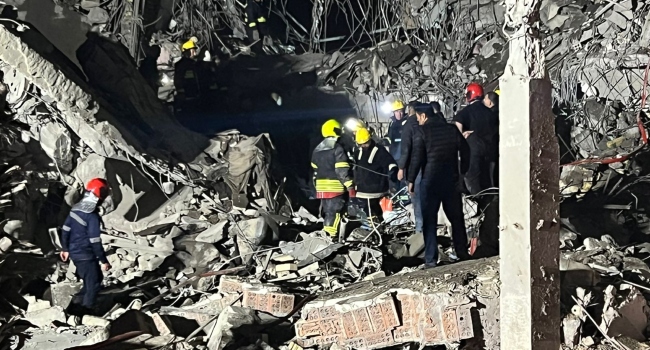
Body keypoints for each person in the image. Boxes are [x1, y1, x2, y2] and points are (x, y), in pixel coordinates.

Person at [408, 103, 471, 268]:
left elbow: (417, 158)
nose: (418, 121)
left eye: (418, 118)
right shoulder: (451, 130)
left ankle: (430, 259)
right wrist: (462, 172)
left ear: (423, 116)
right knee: (456, 218)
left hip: (431, 182)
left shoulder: (421, 132)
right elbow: (466, 150)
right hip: (451, 180)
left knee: (430, 221)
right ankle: (462, 252)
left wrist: (411, 180)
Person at [60, 178, 112, 313]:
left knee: (92, 279)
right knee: (93, 283)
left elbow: (65, 229)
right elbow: (95, 240)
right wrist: (103, 260)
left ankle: (75, 305)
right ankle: (85, 311)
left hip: (75, 254)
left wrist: (65, 249)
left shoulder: (76, 209)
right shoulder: (92, 216)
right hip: (86, 255)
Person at [311, 120, 355, 239]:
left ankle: (327, 236)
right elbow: (341, 171)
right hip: (335, 187)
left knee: (328, 213)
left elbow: (315, 168)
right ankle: (331, 238)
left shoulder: (317, 149)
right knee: (334, 213)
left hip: (321, 187)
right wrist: (350, 186)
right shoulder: (337, 148)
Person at [452, 83, 496, 195]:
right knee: (489, 183)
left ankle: (477, 202)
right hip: (491, 153)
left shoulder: (465, 112)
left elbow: (457, 131)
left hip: (473, 153)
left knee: (472, 180)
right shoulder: (491, 113)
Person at [353, 127, 397, 221]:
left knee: (373, 208)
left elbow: (390, 162)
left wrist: (393, 171)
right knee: (367, 210)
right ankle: (374, 225)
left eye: (365, 143)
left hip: (376, 188)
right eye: (361, 144)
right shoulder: (357, 152)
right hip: (362, 188)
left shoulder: (379, 150)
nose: (363, 146)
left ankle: (378, 224)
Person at [397, 101, 423, 234]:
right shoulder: (424, 123)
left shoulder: (408, 126)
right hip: (428, 167)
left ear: (410, 111)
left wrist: (401, 168)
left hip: (414, 169)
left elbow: (405, 149)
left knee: (416, 199)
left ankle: (419, 231)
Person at [174, 38, 201, 115]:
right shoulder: (182, 65)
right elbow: (178, 78)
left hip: (194, 92)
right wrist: (181, 91)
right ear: (186, 52)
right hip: (186, 94)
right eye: (193, 51)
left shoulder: (193, 64)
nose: (194, 53)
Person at [483, 91, 500, 187]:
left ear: (489, 102)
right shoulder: (502, 112)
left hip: (492, 146)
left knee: (492, 171)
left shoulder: (489, 115)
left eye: (485, 99)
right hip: (500, 146)